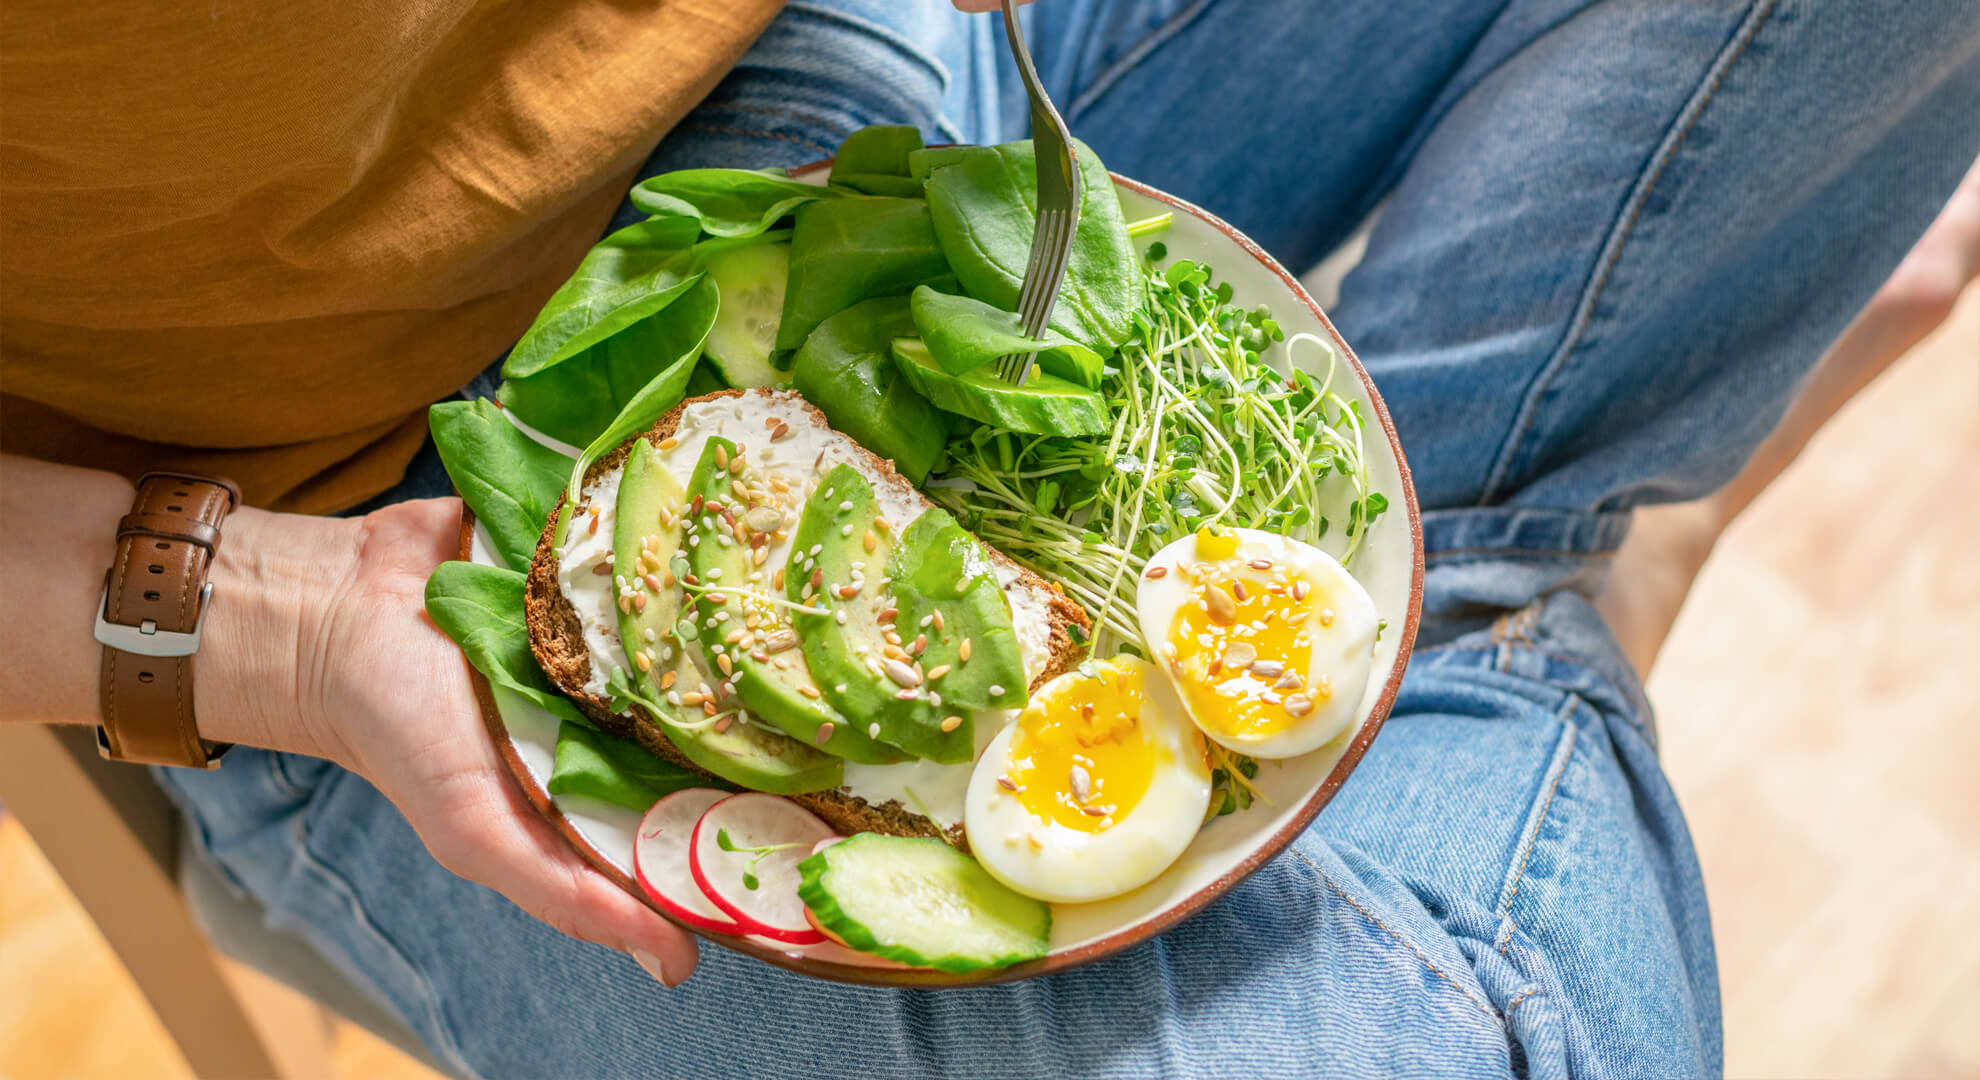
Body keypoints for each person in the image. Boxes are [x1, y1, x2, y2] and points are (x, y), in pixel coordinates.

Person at [3, 1, 1975, 1075]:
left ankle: (1476, 555)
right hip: (326, 520)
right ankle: (1509, 573)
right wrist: (270, 624)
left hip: (863, 77)